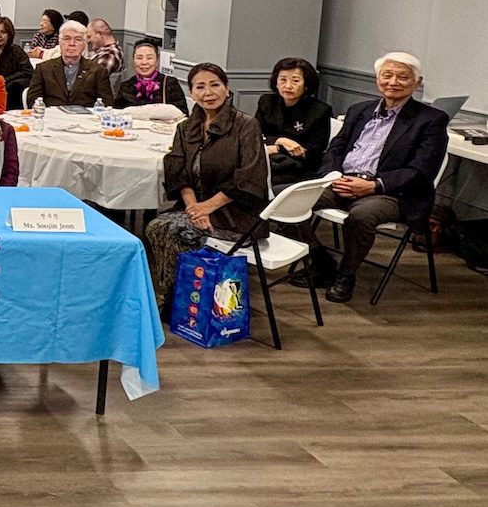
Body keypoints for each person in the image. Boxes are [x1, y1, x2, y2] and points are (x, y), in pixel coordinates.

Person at [296, 52, 449, 304]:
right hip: (343, 182)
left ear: (417, 83)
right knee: (288, 199)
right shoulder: (359, 111)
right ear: (377, 78)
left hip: (391, 193)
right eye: (386, 75)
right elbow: (336, 147)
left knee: (362, 215)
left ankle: (346, 275)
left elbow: (421, 171)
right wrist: (333, 176)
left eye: (403, 77)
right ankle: (321, 261)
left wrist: (373, 185)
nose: (393, 81)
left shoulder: (430, 120)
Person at [144, 64, 269, 313]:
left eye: (215, 85)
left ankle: (181, 302)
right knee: (156, 227)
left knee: (180, 233)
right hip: (197, 208)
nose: (208, 92)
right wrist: (194, 208)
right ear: (191, 93)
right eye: (200, 87)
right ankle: (177, 296)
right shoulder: (186, 127)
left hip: (236, 213)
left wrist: (208, 208)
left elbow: (248, 179)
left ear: (227, 88)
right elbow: (177, 169)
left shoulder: (246, 125)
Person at [255, 57, 333, 188]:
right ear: (276, 82)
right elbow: (255, 136)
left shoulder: (320, 110)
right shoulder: (266, 102)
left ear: (306, 84)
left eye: (295, 81)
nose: (288, 86)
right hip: (267, 162)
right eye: (283, 80)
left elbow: (313, 151)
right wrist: (280, 141)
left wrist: (277, 148)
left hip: (300, 170)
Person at [25, 20, 114, 108]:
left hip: (84, 119)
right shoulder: (43, 69)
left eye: (78, 39)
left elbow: (106, 104)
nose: (72, 44)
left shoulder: (98, 71)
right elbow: (32, 100)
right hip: (51, 118)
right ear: (59, 42)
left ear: (84, 44)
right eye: (67, 39)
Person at [112, 40, 186, 111]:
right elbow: (117, 114)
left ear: (157, 61)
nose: (144, 62)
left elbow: (182, 114)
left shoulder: (170, 83)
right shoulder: (126, 86)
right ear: (133, 61)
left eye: (149, 58)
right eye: (139, 58)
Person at [0, 16, 33, 110]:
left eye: (3, 32)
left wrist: (5, 80)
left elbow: (28, 71)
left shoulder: (16, 52)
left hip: (10, 96)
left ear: (9, 34)